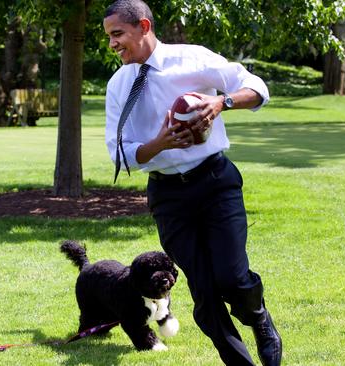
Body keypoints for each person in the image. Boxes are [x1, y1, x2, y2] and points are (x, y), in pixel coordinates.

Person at [103, 1, 282, 365]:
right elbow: (120, 154)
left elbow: (257, 88)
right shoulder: (119, 84)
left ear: (144, 26)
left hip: (215, 182)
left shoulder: (192, 58)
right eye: (108, 37)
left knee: (232, 279)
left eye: (117, 34)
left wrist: (221, 103)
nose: (112, 44)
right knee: (204, 292)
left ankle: (258, 317)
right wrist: (161, 143)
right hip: (169, 196)